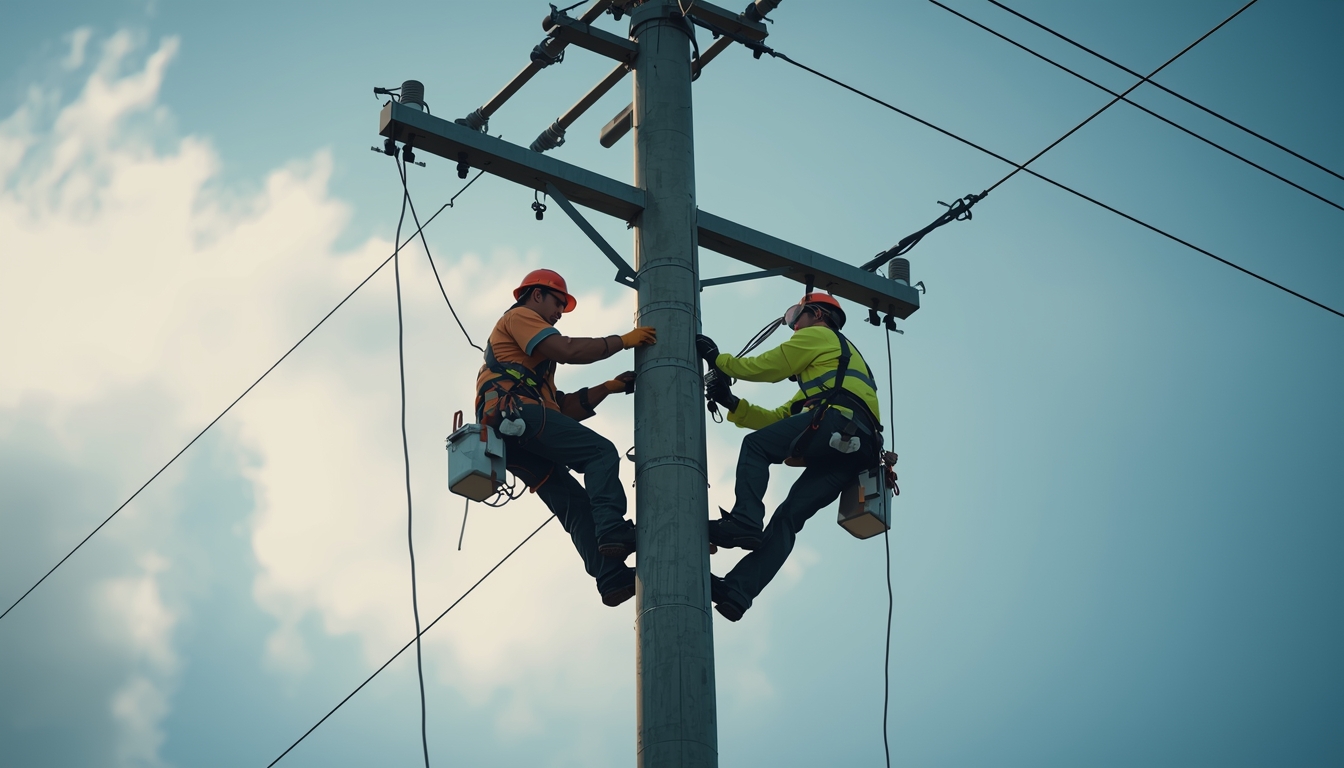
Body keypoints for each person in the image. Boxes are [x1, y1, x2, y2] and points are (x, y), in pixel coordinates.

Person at [696, 293, 884, 621]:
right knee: (788, 520)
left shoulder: (821, 335)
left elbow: (769, 366)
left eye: (796, 317)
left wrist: (718, 359)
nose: (794, 327)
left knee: (755, 447)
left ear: (816, 314)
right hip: (856, 449)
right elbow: (780, 418)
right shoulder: (828, 382)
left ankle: (744, 521)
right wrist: (731, 403)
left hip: (841, 425)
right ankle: (738, 592)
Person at [476, 269, 656, 607]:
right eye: (558, 303)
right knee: (600, 452)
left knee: (573, 504)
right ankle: (612, 529)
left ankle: (611, 576)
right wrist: (622, 341)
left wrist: (607, 388)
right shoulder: (520, 317)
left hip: (511, 435)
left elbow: (557, 410)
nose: (560, 313)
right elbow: (569, 349)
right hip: (515, 415)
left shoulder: (532, 366)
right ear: (536, 294)